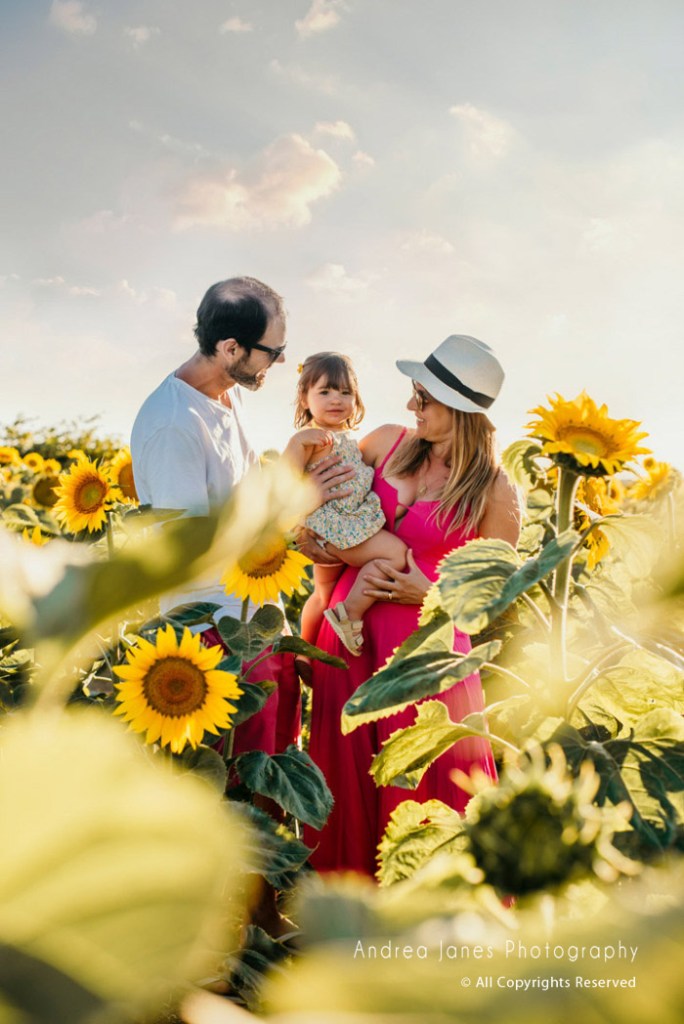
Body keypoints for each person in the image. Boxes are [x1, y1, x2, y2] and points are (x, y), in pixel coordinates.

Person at [300, 334, 521, 876]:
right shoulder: (384, 443)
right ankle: (344, 925)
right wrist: (314, 543)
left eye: (423, 397)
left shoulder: (495, 491)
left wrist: (429, 594)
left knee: (422, 792)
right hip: (348, 644)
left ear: (461, 410)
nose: (411, 406)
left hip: (425, 664)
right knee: (342, 783)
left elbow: (495, 599)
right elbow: (320, 510)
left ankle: (424, 935)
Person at [284, 352, 409, 657]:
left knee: (322, 594)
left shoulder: (348, 437)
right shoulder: (310, 437)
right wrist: (295, 444)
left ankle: (305, 653)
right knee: (396, 554)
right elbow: (284, 483)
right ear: (304, 398)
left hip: (344, 523)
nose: (336, 399)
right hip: (340, 526)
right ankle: (349, 613)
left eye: (345, 392)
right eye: (324, 391)